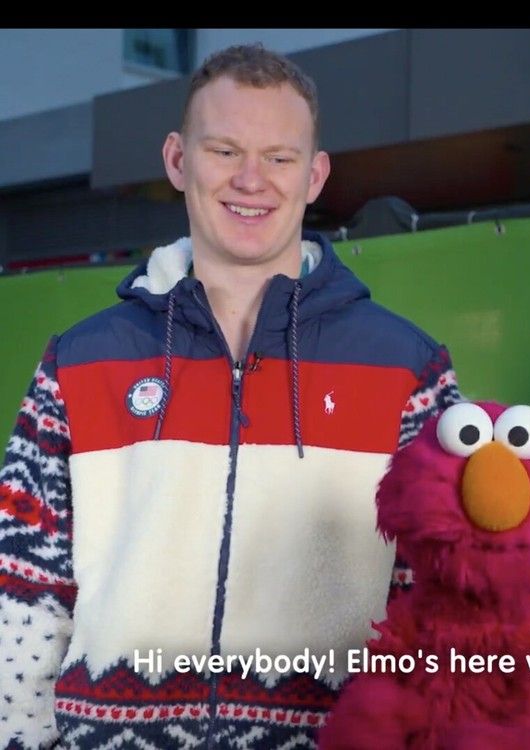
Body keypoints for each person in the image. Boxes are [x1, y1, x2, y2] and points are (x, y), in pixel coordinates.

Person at [0, 43, 459, 748]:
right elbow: (22, 594)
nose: (252, 179)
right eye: (224, 151)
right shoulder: (80, 361)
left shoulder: (407, 367)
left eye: (279, 156)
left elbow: (435, 603)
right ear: (178, 160)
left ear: (315, 174)